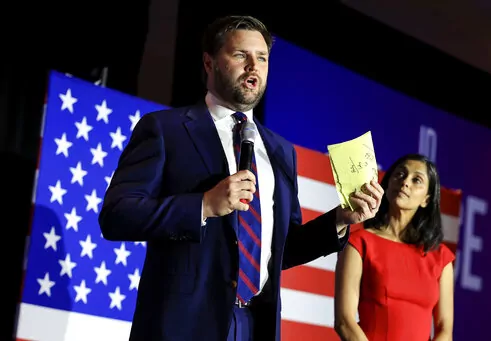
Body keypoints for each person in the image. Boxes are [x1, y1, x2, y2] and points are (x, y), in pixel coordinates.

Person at [98, 15, 384, 341]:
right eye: (240, 55)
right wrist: (204, 205)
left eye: (261, 58)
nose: (253, 66)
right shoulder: (166, 130)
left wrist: (340, 219)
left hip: (252, 324)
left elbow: (282, 249)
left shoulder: (280, 151)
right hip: (181, 326)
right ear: (209, 62)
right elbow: (117, 215)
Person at [334, 153, 455, 341]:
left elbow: (444, 329)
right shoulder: (359, 243)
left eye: (417, 180)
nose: (405, 182)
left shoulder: (441, 257)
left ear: (426, 199)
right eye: (400, 174)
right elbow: (344, 320)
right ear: (387, 184)